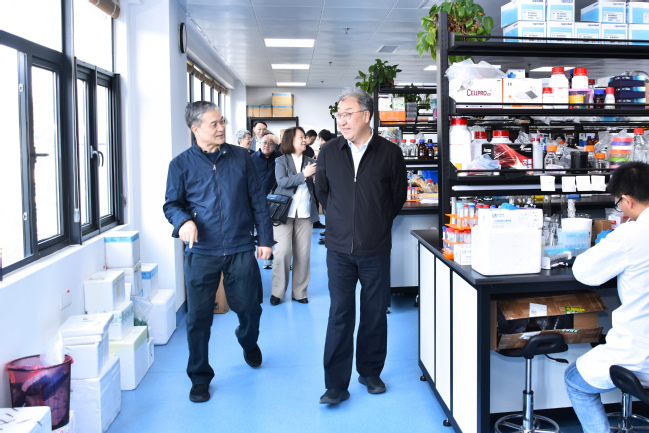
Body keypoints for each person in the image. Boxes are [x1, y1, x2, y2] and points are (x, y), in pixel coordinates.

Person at [163, 101, 274, 404]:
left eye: (222, 121)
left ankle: (247, 340)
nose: (221, 127)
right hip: (201, 252)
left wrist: (265, 239)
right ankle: (199, 377)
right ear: (195, 129)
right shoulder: (180, 165)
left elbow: (258, 200)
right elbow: (171, 204)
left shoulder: (241, 158)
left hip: (240, 247)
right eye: (214, 124)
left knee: (250, 308)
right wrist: (183, 221)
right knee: (198, 319)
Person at [315, 87, 407, 404]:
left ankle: (370, 372)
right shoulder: (329, 152)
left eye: (347, 114)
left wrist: (376, 223)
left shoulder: (390, 153)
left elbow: (397, 197)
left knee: (374, 312)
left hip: (375, 248)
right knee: (340, 314)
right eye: (338, 115)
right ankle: (335, 385)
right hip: (338, 249)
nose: (341, 121)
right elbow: (322, 192)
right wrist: (340, 222)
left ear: (366, 115)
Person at [565, 161, 649, 433]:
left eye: (619, 204)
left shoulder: (632, 234)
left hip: (640, 354)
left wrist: (607, 243)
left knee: (574, 380)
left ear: (627, 200)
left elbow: (584, 272)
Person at [270, 127, 319, 305]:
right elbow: (282, 182)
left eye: (304, 137)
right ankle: (277, 291)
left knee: (303, 254)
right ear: (290, 140)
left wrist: (316, 179)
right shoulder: (281, 160)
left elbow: (318, 185)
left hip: (305, 212)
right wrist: (304, 175)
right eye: (301, 137)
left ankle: (300, 292)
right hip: (284, 212)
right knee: (282, 252)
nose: (304, 140)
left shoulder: (311, 161)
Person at [251, 132, 281, 270]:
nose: (266, 146)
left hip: (277, 200)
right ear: (259, 143)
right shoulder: (251, 159)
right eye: (264, 142)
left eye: (270, 143)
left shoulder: (280, 158)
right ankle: (267, 259)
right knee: (261, 229)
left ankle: (281, 259)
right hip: (257, 199)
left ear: (275, 146)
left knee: (278, 230)